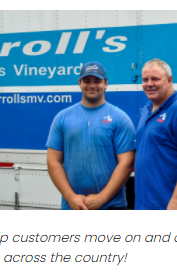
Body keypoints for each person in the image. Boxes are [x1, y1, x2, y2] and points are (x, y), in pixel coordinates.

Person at [46, 61, 136, 210]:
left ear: (106, 83)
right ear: (79, 83)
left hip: (111, 207)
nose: (92, 85)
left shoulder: (120, 119)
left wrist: (102, 198)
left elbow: (126, 163)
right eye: (87, 81)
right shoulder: (62, 118)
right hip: (73, 206)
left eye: (97, 81)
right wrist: (71, 197)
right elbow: (53, 161)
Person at [135, 59, 177, 210]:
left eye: (155, 79)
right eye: (145, 79)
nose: (149, 84)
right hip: (147, 204)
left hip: (171, 206)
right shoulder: (148, 108)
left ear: (169, 80)